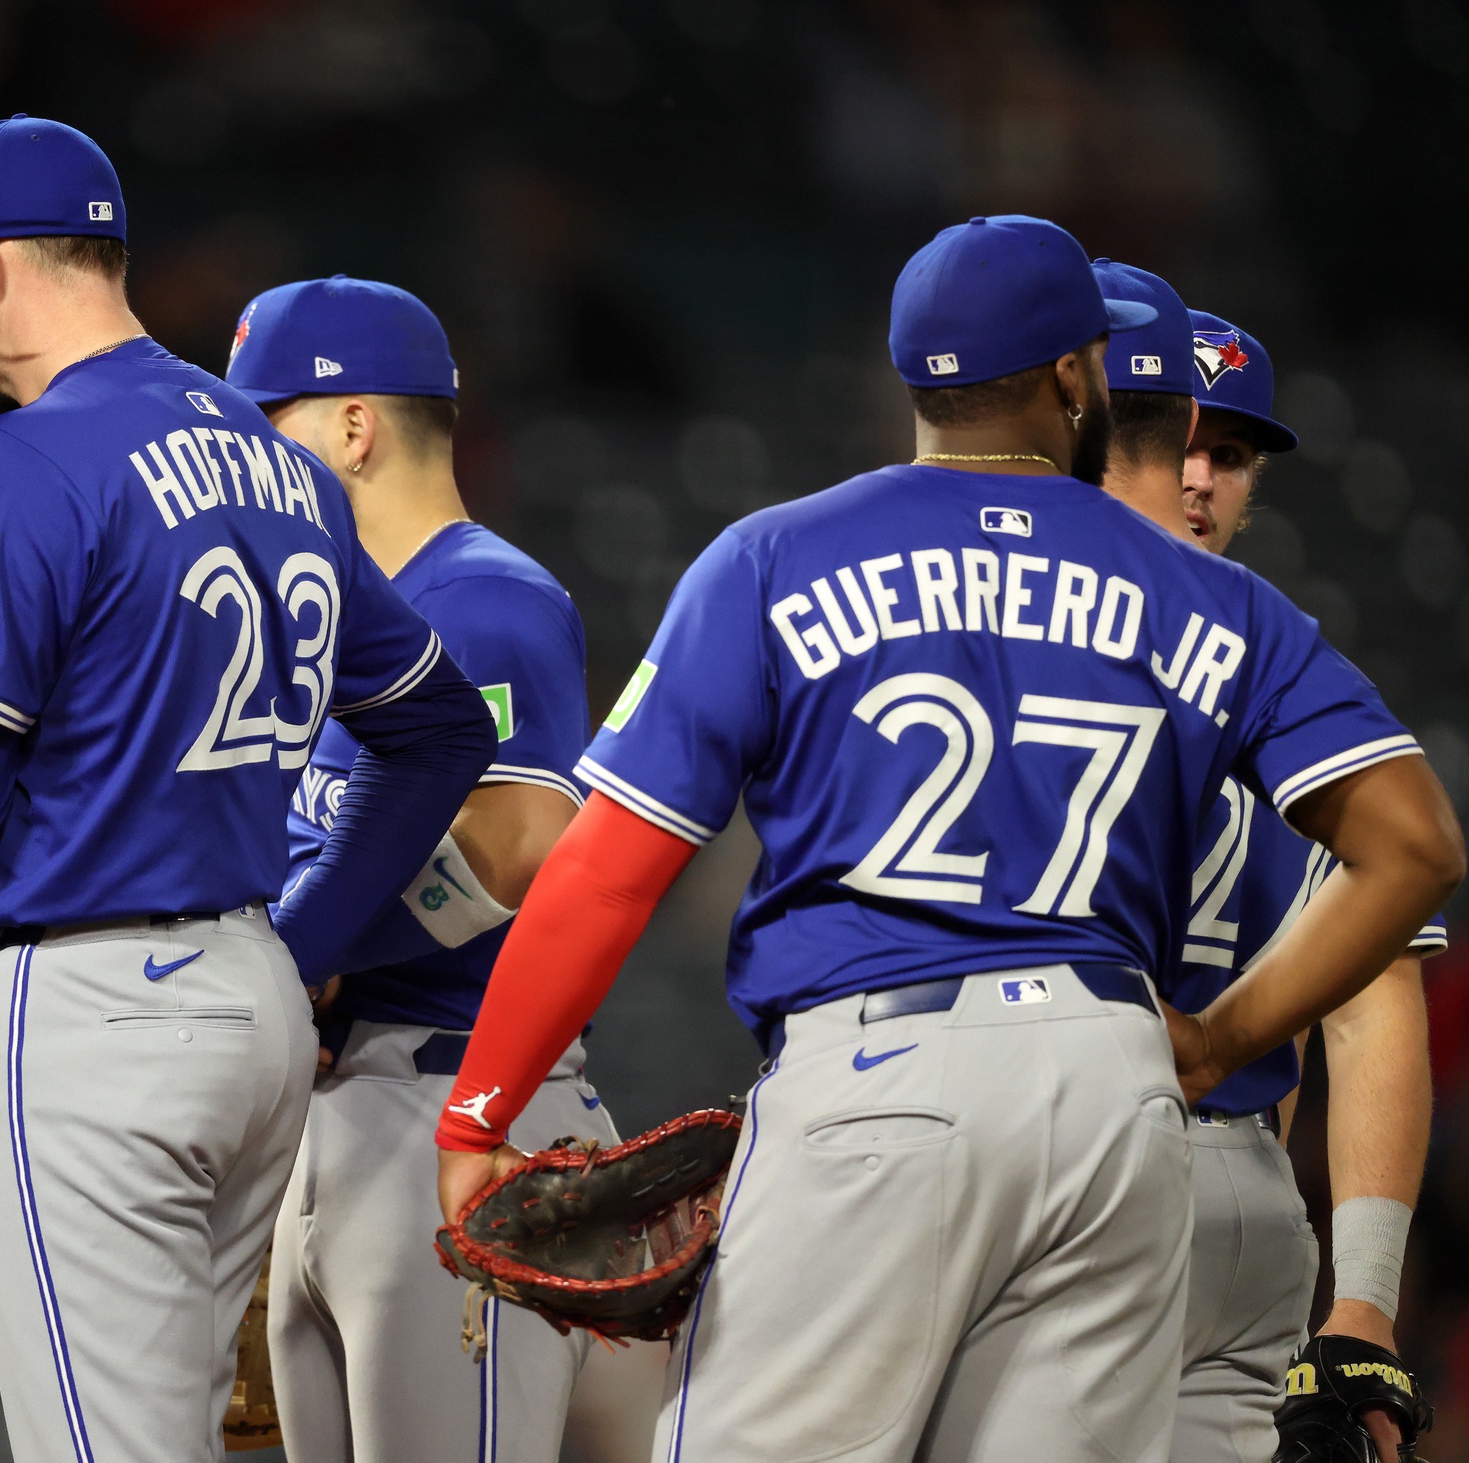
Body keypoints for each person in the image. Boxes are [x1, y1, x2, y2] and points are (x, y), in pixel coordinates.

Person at [431, 214, 1463, 1461]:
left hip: (880, 1072)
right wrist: (1219, 1038)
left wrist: (477, 1115)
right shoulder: (1223, 601)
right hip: (1117, 1096)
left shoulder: (772, 555)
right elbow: (1413, 843)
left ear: (913, 375)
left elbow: (604, 871)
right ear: (1074, 373)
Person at [0, 117, 496, 1463]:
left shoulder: (17, 463)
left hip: (92, 1009)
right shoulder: (273, 455)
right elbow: (438, 729)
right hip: (253, 1007)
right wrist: (307, 947)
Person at [224, 276, 658, 1463]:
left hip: (456, 1105)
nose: (251, 467)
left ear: (353, 427)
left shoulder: (483, 599)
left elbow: (513, 848)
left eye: (269, 426)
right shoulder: (320, 622)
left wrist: (301, 953)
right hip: (333, 1115)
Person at [1169, 308, 1442, 1462]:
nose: (1198, 478)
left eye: (1229, 455)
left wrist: (1365, 1294)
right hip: (1197, 1193)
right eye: (1171, 437)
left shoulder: (1305, 689)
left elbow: (1374, 991)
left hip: (1187, 1173)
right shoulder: (1304, 685)